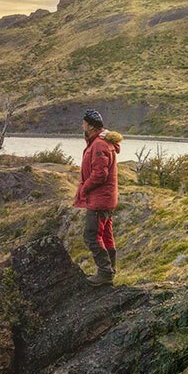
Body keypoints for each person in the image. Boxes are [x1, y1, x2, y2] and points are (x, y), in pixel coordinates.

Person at [74, 109, 123, 285]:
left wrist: (84, 188)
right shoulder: (100, 142)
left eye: (84, 123)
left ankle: (105, 273)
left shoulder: (99, 145)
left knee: (91, 235)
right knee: (106, 235)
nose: (82, 125)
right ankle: (109, 271)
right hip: (106, 199)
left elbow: (99, 174)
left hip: (100, 200)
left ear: (91, 126)